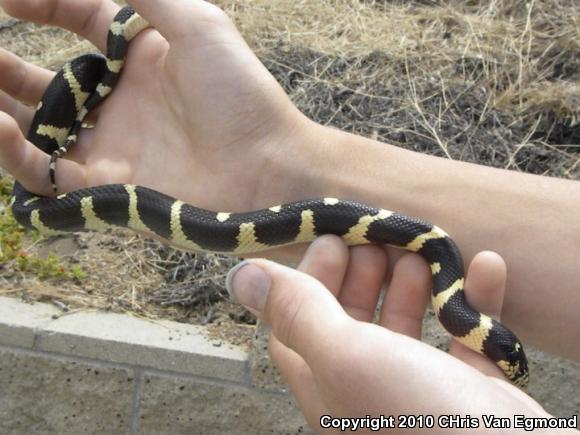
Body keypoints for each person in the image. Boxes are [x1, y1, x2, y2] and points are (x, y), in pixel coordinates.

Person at [0, 0, 577, 432]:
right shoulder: (438, 256)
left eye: (512, 361)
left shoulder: (442, 261)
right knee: (78, 86)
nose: (516, 370)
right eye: (511, 360)